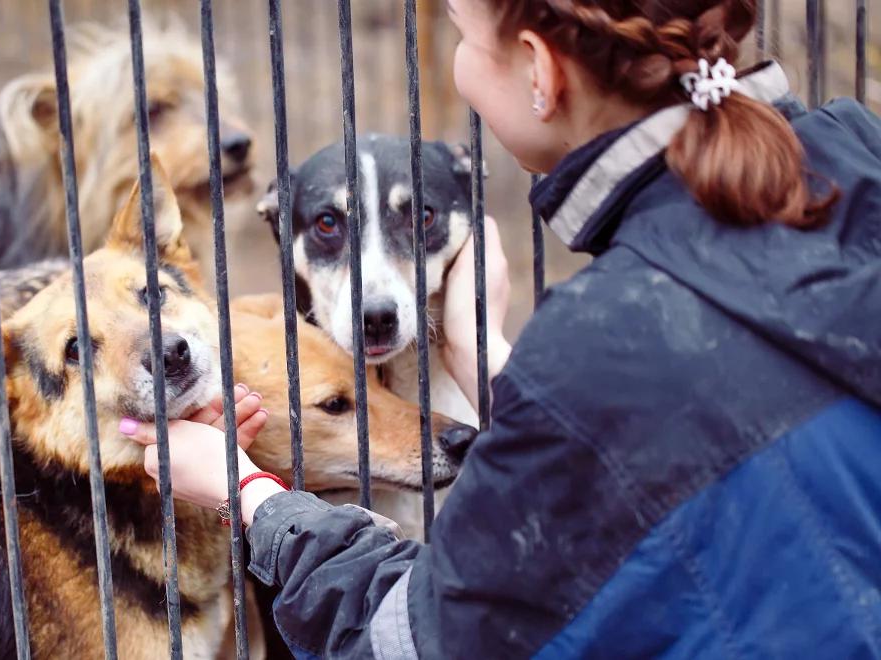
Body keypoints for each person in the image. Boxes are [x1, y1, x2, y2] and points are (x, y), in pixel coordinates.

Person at [120, 0, 881, 656]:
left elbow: (410, 641)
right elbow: (639, 451)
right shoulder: (853, 157)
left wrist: (245, 491)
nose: (455, 61)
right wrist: (479, 349)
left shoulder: (601, 337)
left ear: (537, 72)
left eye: (459, 31)